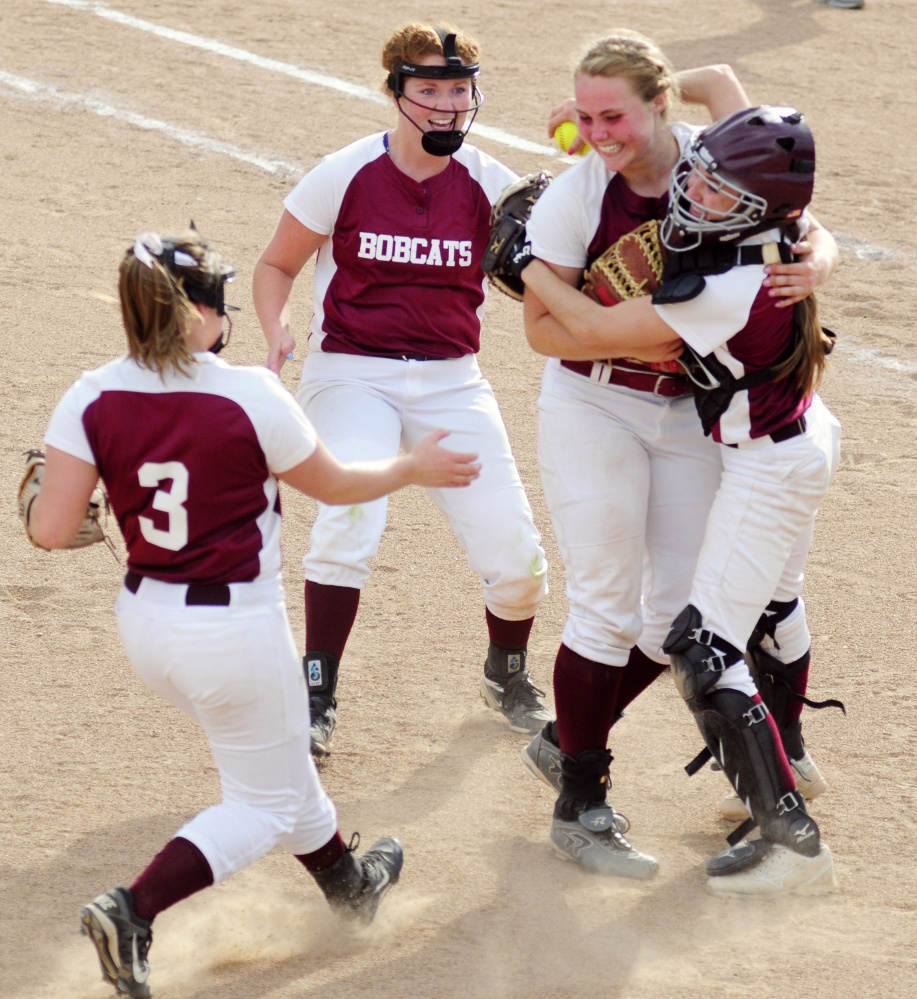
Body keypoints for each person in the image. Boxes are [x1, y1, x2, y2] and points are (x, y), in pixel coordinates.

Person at [24, 230, 480, 998]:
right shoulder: (250, 394)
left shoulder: (89, 393)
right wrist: (410, 465)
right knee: (261, 802)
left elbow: (50, 528)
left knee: (276, 761)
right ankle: (132, 909)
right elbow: (332, 485)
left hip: (148, 624)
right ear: (202, 313)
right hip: (232, 631)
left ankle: (348, 884)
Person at [509, 31, 838, 883]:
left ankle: (568, 742)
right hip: (596, 403)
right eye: (581, 117)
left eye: (612, 114)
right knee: (604, 610)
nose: (595, 134)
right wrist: (541, 274)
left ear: (662, 104)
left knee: (679, 622)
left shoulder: (716, 164)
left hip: (692, 412)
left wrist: (820, 263)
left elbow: (798, 214)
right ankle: (580, 798)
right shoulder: (577, 196)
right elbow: (546, 333)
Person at [253, 23, 551, 757]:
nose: (448, 105)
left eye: (459, 89)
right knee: (350, 518)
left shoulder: (491, 183)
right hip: (351, 373)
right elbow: (276, 264)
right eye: (429, 90)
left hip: (452, 382)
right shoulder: (345, 172)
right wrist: (275, 331)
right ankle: (315, 690)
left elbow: (552, 270)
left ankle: (506, 670)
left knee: (518, 562)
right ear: (396, 93)